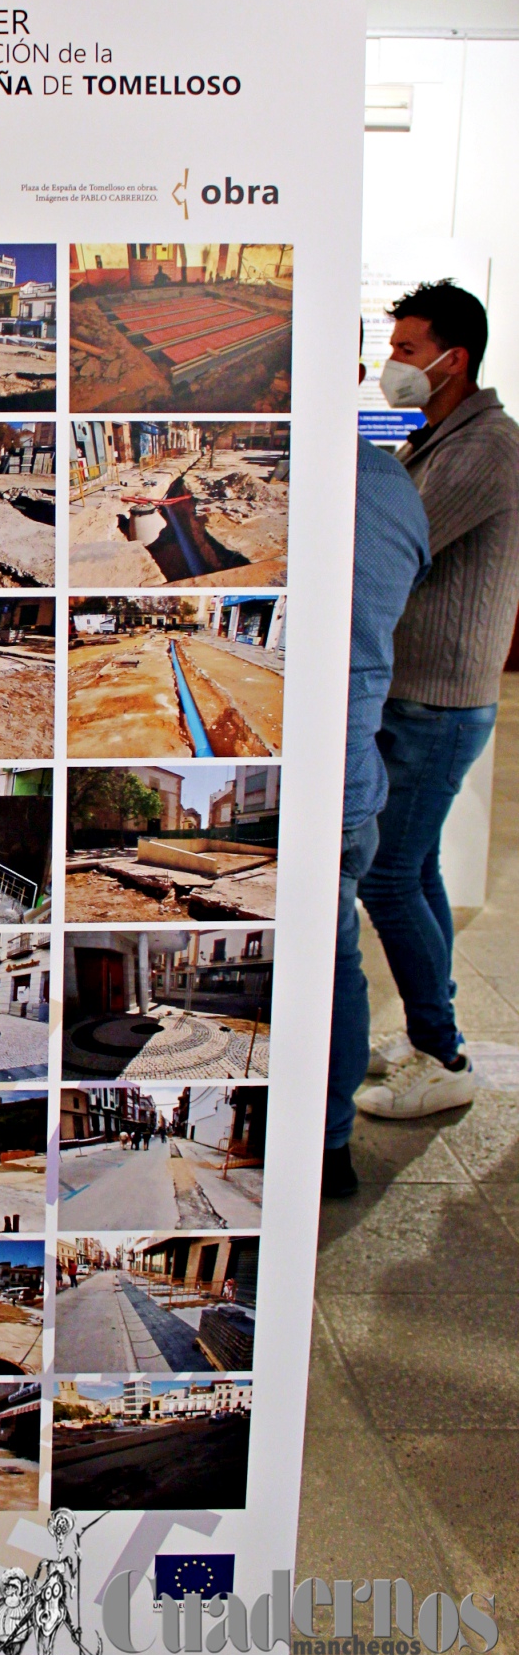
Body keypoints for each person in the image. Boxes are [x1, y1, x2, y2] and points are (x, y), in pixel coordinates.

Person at [355, 280, 519, 1123]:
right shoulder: (438, 435)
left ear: (456, 358)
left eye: (408, 351)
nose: (394, 367)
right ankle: (432, 1038)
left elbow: (397, 547)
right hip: (418, 693)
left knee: (386, 878)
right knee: (413, 869)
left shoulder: (485, 447)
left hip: (438, 702)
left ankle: (446, 1054)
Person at [324, 432, 430, 1196]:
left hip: (333, 783)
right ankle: (328, 1147)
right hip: (346, 778)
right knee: (334, 967)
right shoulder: (384, 479)